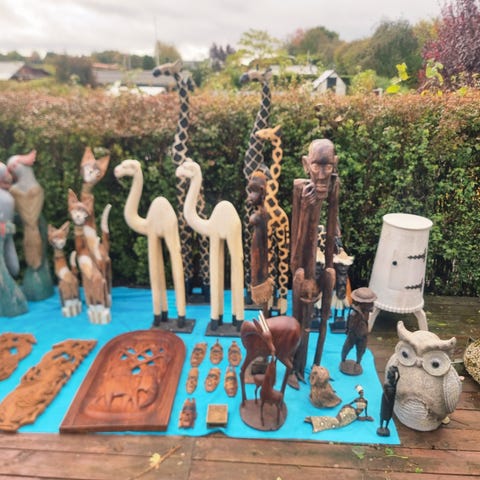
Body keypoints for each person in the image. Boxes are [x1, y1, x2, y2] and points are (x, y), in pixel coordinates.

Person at [340, 287, 377, 375]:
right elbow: (350, 324)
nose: (372, 304)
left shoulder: (366, 311)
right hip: (353, 334)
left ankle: (358, 362)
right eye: (369, 303)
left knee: (361, 350)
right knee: (347, 347)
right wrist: (350, 331)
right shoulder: (354, 314)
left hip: (363, 335)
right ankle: (343, 360)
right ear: (362, 304)